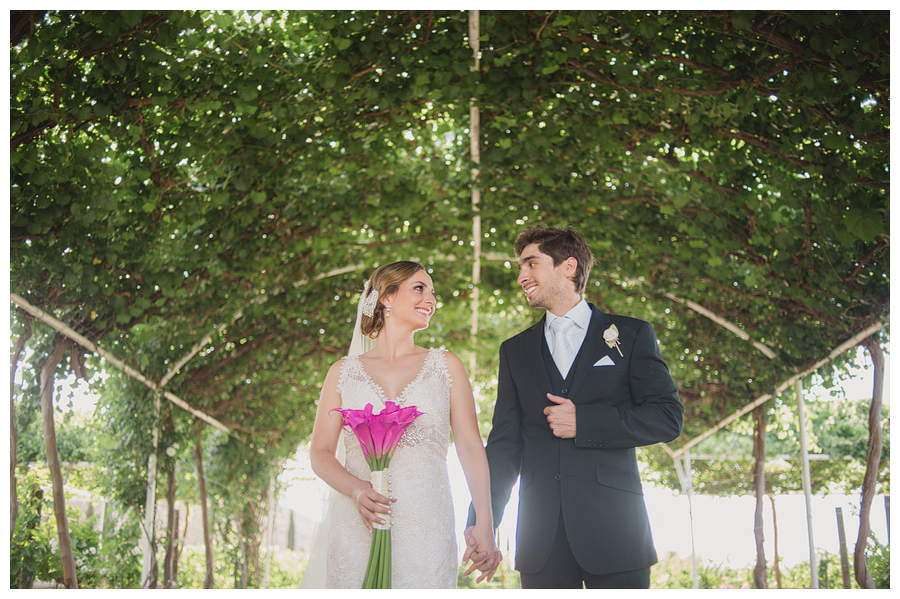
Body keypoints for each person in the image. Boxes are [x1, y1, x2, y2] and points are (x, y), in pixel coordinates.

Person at [464, 226, 683, 588]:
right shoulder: (514, 351)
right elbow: (504, 447)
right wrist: (482, 521)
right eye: (520, 267)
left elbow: (667, 418)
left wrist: (586, 422)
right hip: (540, 541)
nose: (521, 276)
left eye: (531, 264)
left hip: (617, 533)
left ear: (568, 266)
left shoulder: (630, 335)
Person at [306, 261, 500, 588]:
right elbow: (321, 452)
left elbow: (469, 446)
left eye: (433, 292)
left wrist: (485, 521)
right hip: (358, 521)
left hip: (427, 523)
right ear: (387, 298)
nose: (431, 299)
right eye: (419, 288)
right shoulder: (341, 372)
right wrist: (356, 489)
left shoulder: (446, 366)